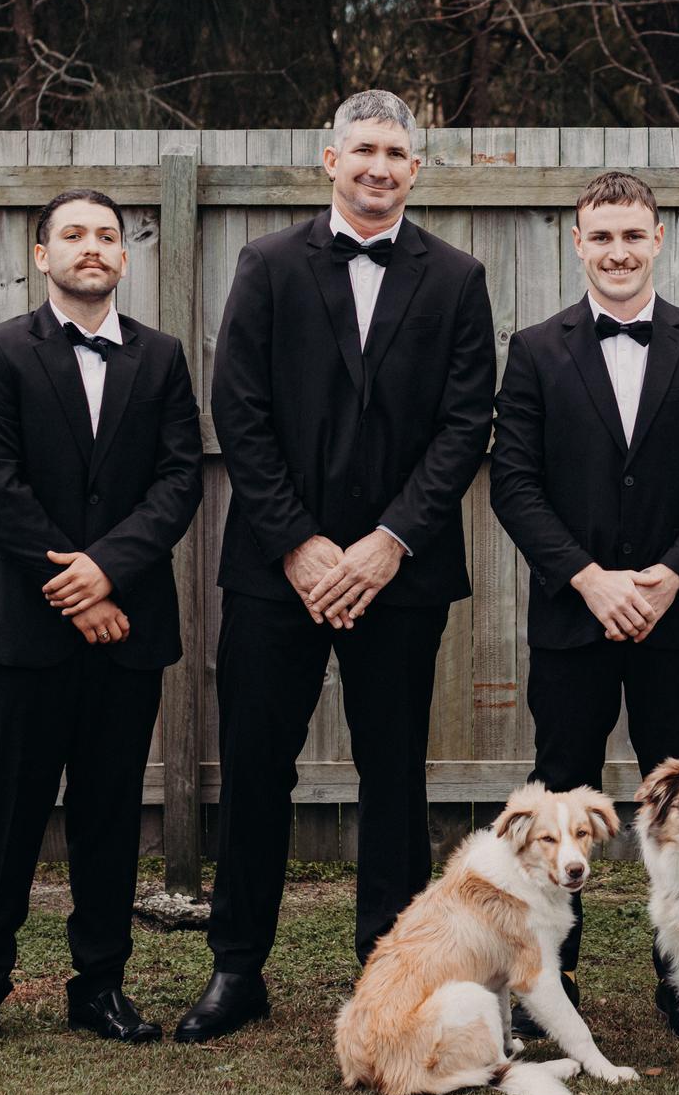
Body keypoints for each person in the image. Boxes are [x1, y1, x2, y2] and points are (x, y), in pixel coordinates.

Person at [177, 90, 495, 1043]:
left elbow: (464, 423)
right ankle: (239, 969)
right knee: (255, 767)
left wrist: (389, 540)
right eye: (363, 150)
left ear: (415, 167)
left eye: (397, 153)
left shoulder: (457, 277)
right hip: (278, 569)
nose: (379, 167)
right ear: (328, 159)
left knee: (393, 775)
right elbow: (240, 410)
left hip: (404, 572)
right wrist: (300, 543)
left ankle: (388, 971)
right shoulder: (268, 266)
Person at [0, 189, 202, 1056]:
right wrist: (78, 586)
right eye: (74, 234)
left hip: (129, 635)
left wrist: (110, 571)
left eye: (108, 236)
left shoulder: (160, 359)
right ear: (41, 254)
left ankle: (101, 986)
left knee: (111, 815)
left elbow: (178, 481)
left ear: (124, 258)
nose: (93, 247)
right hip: (24, 630)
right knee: (6, 816)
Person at [489, 171, 679, 1038]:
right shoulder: (533, 349)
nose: (617, 251)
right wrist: (588, 577)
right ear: (577, 242)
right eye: (600, 236)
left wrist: (672, 574)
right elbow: (514, 484)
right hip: (574, 617)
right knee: (559, 800)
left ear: (658, 238)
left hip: (675, 619)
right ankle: (543, 978)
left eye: (631, 235)